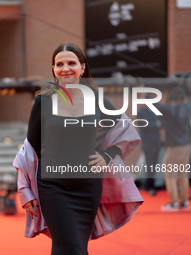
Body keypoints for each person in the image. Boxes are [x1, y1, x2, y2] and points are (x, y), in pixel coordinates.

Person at [13, 43, 143, 255]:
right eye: (59, 64)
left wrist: (107, 155)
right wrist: (24, 190)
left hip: (88, 187)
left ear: (82, 68)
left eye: (71, 63)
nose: (65, 68)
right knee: (71, 247)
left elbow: (126, 128)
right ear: (53, 69)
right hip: (53, 187)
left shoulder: (97, 100)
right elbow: (29, 150)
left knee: (74, 247)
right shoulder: (43, 101)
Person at [156, 87, 191, 211]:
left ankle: (173, 202)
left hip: (173, 147)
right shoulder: (187, 107)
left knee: (170, 174)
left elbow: (155, 105)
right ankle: (184, 201)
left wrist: (144, 93)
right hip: (186, 146)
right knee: (183, 173)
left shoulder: (169, 109)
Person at [138, 93, 163, 196]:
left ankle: (148, 184)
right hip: (147, 143)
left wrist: (154, 125)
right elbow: (146, 125)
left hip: (156, 142)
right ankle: (151, 186)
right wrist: (154, 125)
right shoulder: (141, 112)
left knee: (155, 164)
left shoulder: (155, 111)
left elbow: (160, 124)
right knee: (149, 165)